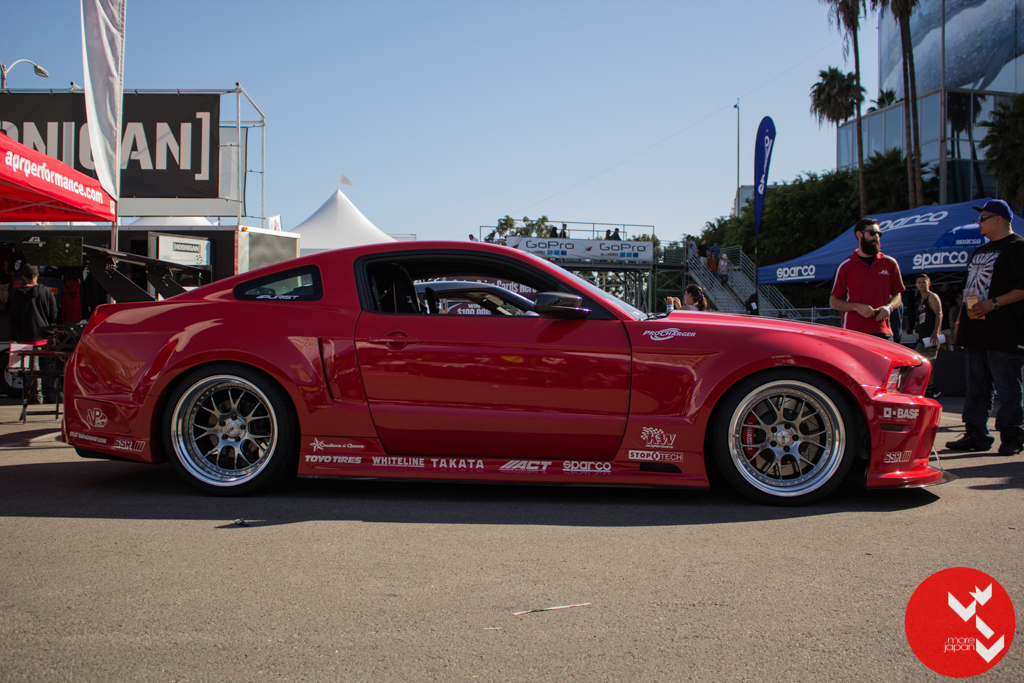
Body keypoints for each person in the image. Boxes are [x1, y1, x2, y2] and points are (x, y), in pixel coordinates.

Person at [946, 199, 1024, 456]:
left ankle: (1012, 437)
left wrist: (995, 303)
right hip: (976, 330)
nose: (978, 223)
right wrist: (962, 325)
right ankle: (976, 434)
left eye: (983, 218)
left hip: (1005, 332)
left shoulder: (1018, 247)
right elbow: (970, 289)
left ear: (999, 219)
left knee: (1008, 388)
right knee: (977, 388)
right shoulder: (980, 250)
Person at [829, 218, 905, 340]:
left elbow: (897, 295)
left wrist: (889, 307)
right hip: (853, 333)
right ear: (860, 235)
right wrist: (856, 307)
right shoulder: (845, 266)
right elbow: (833, 302)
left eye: (879, 234)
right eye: (872, 233)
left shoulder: (890, 263)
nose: (877, 237)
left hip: (883, 331)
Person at [10, 264, 59, 403]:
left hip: (27, 337)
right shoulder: (47, 291)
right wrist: (52, 334)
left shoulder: (18, 294)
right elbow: (54, 314)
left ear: (23, 277)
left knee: (32, 367)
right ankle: (51, 394)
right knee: (47, 365)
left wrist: (13, 338)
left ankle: (36, 396)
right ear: (37, 275)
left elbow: (14, 318)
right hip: (44, 336)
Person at [914, 274, 943, 398]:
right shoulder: (921, 300)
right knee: (919, 363)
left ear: (929, 283)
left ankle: (933, 390)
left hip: (931, 337)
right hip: (923, 336)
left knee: (927, 364)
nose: (921, 284)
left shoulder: (932, 297)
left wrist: (936, 331)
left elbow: (939, 313)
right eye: (919, 282)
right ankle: (928, 388)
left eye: (924, 282)